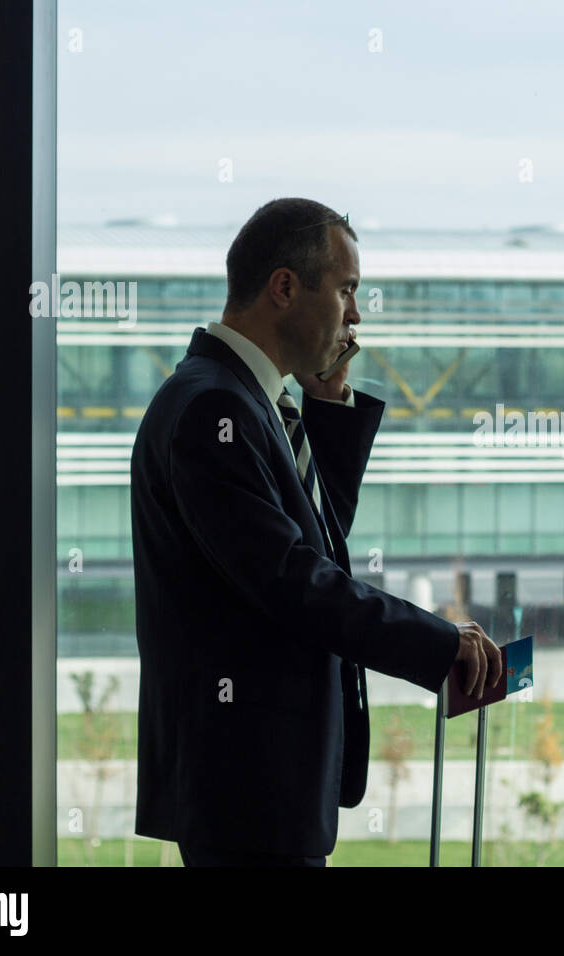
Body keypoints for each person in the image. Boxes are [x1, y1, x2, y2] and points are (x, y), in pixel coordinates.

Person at [129, 198, 500, 866]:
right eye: (347, 290)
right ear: (284, 287)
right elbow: (294, 581)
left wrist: (326, 405)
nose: (355, 315)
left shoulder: (250, 400)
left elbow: (312, 545)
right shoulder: (215, 407)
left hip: (263, 791)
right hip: (246, 792)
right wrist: (441, 644)